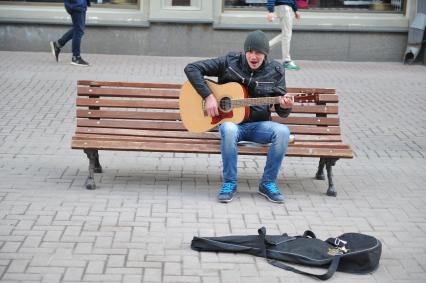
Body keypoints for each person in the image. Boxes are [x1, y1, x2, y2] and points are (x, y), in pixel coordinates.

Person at [184, 30, 294, 204]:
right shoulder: (230, 62)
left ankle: (267, 183)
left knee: (283, 132)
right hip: (233, 126)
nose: (253, 56)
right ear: (245, 52)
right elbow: (191, 68)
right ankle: (229, 183)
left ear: (265, 54)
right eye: (250, 52)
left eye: (258, 52)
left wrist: (285, 106)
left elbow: (282, 111)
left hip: (260, 126)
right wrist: (208, 96)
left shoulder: (276, 70)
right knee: (227, 128)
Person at [49, 0, 91, 67]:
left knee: (77, 29)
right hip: (77, 4)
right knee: (79, 31)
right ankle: (76, 57)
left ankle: (58, 44)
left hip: (77, 4)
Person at [267, 0, 301, 71]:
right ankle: (286, 61)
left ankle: (265, 47)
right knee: (287, 34)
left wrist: (295, 9)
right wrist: (270, 10)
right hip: (285, 7)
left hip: (285, 6)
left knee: (286, 34)